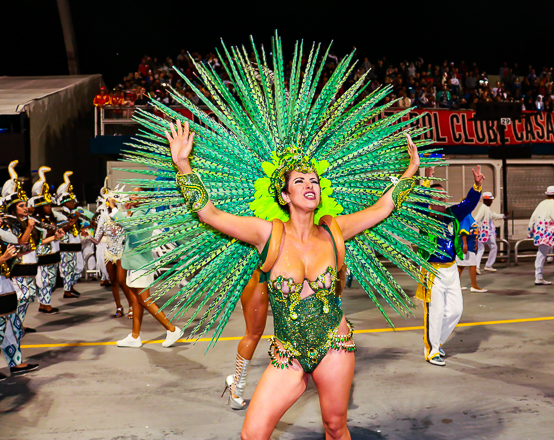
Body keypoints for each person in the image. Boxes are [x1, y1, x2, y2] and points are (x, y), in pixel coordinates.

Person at [118, 38, 445, 439]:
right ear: (285, 195)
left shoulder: (334, 229)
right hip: (287, 353)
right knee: (252, 433)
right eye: (299, 181)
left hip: (336, 346)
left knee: (335, 426)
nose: (310, 184)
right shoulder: (267, 234)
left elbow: (382, 208)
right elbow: (210, 213)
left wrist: (411, 168)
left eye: (314, 180)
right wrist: (183, 166)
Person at [416, 165, 484, 365]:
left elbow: (469, 203)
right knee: (434, 312)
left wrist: (477, 186)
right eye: (435, 197)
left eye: (442, 197)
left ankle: (436, 343)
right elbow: (419, 204)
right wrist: (426, 182)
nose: (440, 200)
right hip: (432, 271)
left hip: (451, 269)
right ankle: (431, 351)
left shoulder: (453, 214)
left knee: (455, 311)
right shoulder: (424, 217)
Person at [112, 188, 183, 348]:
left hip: (141, 264)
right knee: (138, 300)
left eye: (136, 194)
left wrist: (115, 210)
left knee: (145, 299)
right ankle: (135, 336)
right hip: (135, 263)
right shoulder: (138, 211)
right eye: (132, 193)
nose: (131, 196)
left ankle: (172, 330)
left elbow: (130, 227)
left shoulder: (144, 213)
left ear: (146, 197)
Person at [2, 161, 63, 332]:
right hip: (17, 266)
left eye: (25, 205)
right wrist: (29, 227)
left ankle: (17, 325)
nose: (26, 208)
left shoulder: (27, 222)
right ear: (13, 208)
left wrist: (52, 237)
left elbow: (34, 245)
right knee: (22, 296)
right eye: (21, 206)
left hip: (30, 264)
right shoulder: (10, 223)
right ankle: (14, 326)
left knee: (28, 296)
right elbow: (20, 243)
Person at [85, 191, 132, 318]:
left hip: (121, 252)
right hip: (109, 253)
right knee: (113, 282)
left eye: (112, 202)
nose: (110, 204)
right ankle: (119, 307)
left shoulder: (123, 216)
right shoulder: (103, 218)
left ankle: (132, 305)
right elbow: (97, 240)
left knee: (122, 281)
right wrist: (88, 236)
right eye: (109, 202)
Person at [0, 235, 39, 376]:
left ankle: (16, 363)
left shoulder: (1, 238)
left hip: (5, 288)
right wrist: (4, 257)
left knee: (12, 330)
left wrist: (17, 255)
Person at [30, 166, 66, 314]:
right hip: (43, 254)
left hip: (53, 253)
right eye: (46, 205)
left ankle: (45, 303)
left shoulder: (50, 218)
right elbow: (39, 240)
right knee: (44, 281)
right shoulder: (36, 221)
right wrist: (53, 233)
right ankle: (45, 305)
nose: (49, 207)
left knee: (50, 281)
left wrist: (57, 234)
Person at [528, 186, 554, 285]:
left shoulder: (541, 203)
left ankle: (538, 277)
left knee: (541, 254)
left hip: (540, 232)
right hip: (550, 232)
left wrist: (529, 230)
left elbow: (533, 217)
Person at [55, 172, 84, 299]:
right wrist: (74, 218)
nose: (74, 203)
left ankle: (71, 287)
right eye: (71, 201)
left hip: (75, 245)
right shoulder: (60, 213)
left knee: (78, 267)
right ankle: (67, 290)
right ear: (65, 202)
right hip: (66, 245)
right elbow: (64, 227)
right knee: (68, 268)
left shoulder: (72, 212)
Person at [473, 192, 505, 273]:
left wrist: (503, 215)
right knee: (482, 249)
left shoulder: (486, 208)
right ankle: (477, 266)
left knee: (493, 247)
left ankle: (487, 265)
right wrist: (474, 229)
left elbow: (493, 216)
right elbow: (477, 219)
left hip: (487, 232)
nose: (492, 201)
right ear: (486, 200)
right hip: (483, 232)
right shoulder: (483, 208)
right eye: (491, 200)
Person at [456, 209, 487, 292]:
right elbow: (463, 231)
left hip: (470, 245)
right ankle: (474, 285)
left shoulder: (468, 216)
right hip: (467, 245)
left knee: (461, 266)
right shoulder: (466, 216)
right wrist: (465, 244)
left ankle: (455, 285)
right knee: (473, 264)